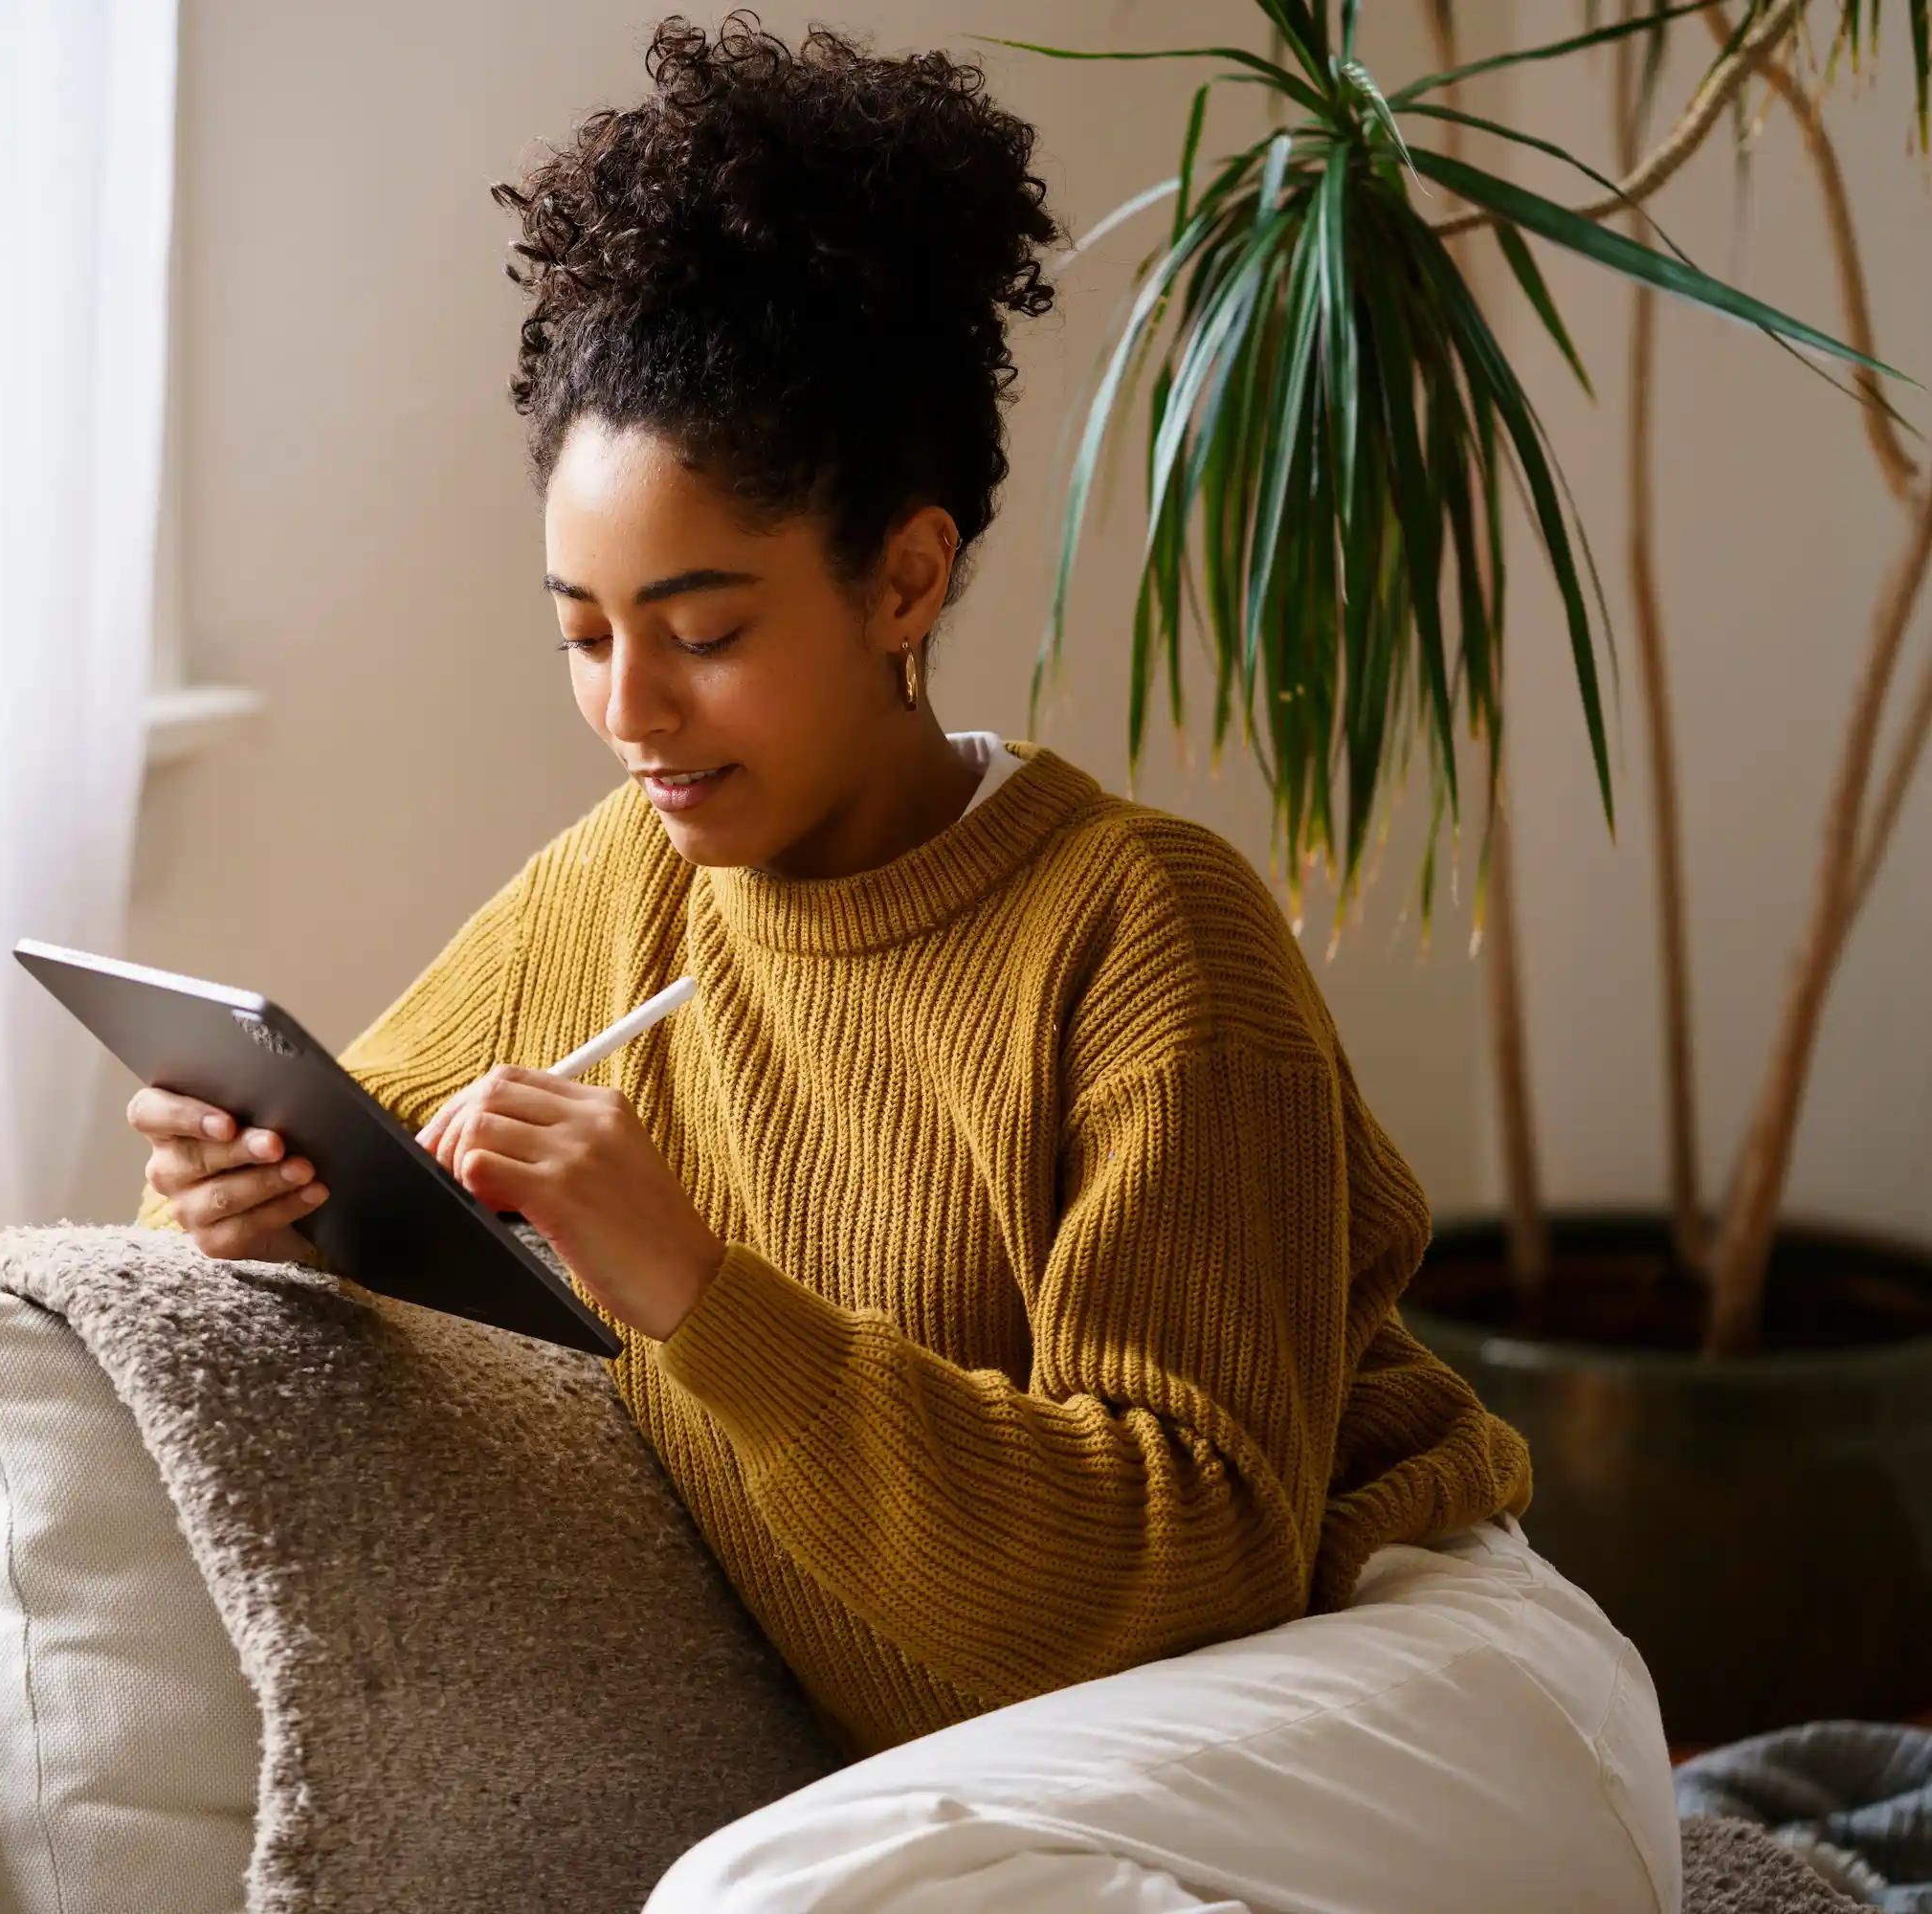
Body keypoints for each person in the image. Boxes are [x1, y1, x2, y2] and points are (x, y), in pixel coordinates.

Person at [132, 18, 1677, 1910]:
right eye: (583, 632)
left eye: (700, 628)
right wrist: (238, 1189)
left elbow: (1195, 1566)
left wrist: (697, 1287)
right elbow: (348, 1151)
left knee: (765, 1898)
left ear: (908, 580)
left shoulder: (1147, 935)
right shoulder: (616, 891)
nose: (631, 707)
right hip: (1041, 1782)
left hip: (1408, 1691)